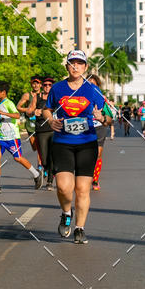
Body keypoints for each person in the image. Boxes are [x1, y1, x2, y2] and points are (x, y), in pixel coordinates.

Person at [42, 50, 105, 243]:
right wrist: (50, 120)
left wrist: (101, 117)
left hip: (87, 143)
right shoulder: (58, 88)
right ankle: (66, 212)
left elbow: (107, 115)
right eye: (72, 63)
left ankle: (80, 228)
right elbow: (47, 109)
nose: (76, 66)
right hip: (62, 143)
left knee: (82, 189)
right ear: (67, 66)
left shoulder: (92, 90)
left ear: (85, 67)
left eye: (80, 63)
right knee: (63, 187)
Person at [0, 81, 43, 195]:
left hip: (11, 137)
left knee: (18, 158)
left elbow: (17, 115)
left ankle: (36, 174)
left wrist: (2, 113)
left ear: (3, 92)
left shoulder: (8, 103)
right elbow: (0, 121)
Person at [88, 74, 114, 191]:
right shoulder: (80, 97)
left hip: (99, 128)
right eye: (89, 84)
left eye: (94, 84)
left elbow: (109, 118)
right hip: (85, 128)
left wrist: (103, 118)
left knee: (98, 154)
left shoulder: (102, 99)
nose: (91, 86)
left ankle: (95, 180)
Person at [34, 75, 55, 190]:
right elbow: (28, 111)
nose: (47, 87)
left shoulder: (56, 97)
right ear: (42, 86)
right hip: (41, 130)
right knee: (44, 157)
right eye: (45, 85)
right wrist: (34, 111)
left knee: (52, 156)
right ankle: (47, 170)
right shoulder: (37, 97)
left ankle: (50, 181)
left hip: (53, 129)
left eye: (50, 85)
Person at [17, 74, 42, 167]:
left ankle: (40, 165)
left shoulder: (43, 95)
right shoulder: (27, 95)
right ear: (31, 84)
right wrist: (29, 110)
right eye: (33, 83)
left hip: (41, 123)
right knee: (34, 147)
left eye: (38, 83)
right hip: (30, 124)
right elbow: (18, 107)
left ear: (41, 85)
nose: (35, 85)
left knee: (40, 145)